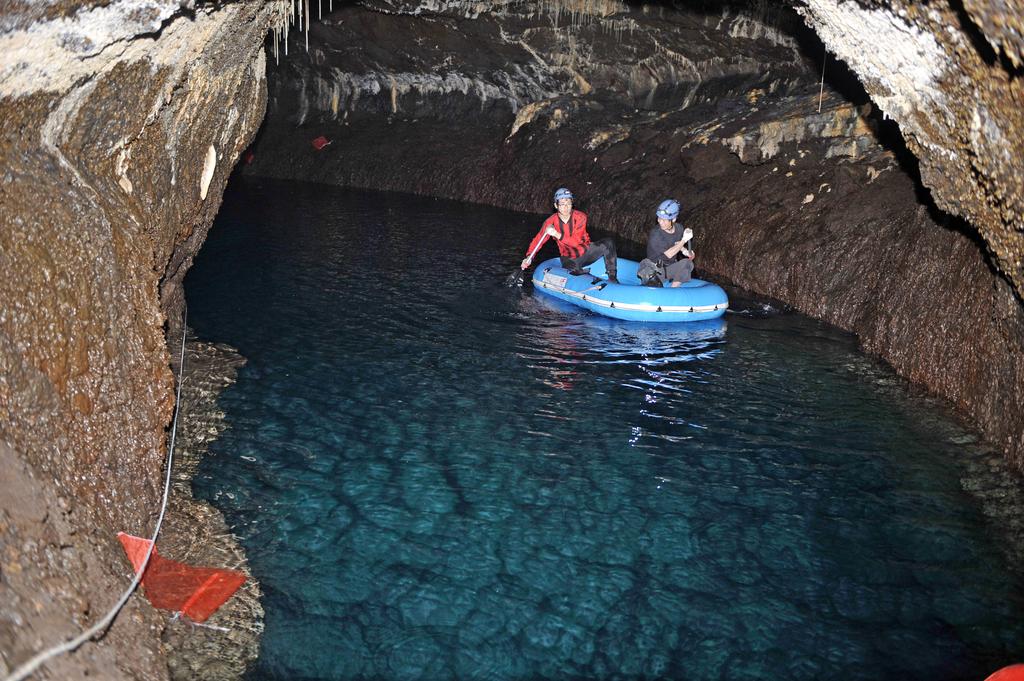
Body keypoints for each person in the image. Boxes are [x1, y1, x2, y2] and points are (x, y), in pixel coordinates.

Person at [521, 187, 619, 283]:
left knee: (608, 242)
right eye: (562, 204)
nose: (566, 207)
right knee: (573, 276)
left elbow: (575, 242)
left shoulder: (581, 217)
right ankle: (582, 274)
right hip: (568, 257)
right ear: (556, 205)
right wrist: (529, 257)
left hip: (586, 252)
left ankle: (612, 277)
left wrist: (555, 233)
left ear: (572, 204)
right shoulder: (550, 222)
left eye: (568, 203)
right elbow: (538, 240)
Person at [644, 199, 693, 288]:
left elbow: (677, 243)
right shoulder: (655, 233)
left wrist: (685, 251)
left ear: (673, 219)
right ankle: (670, 293)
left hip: (670, 268)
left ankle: (672, 290)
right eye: (659, 218)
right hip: (656, 271)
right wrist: (684, 240)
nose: (660, 222)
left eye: (664, 219)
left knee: (688, 263)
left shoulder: (679, 228)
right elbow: (669, 254)